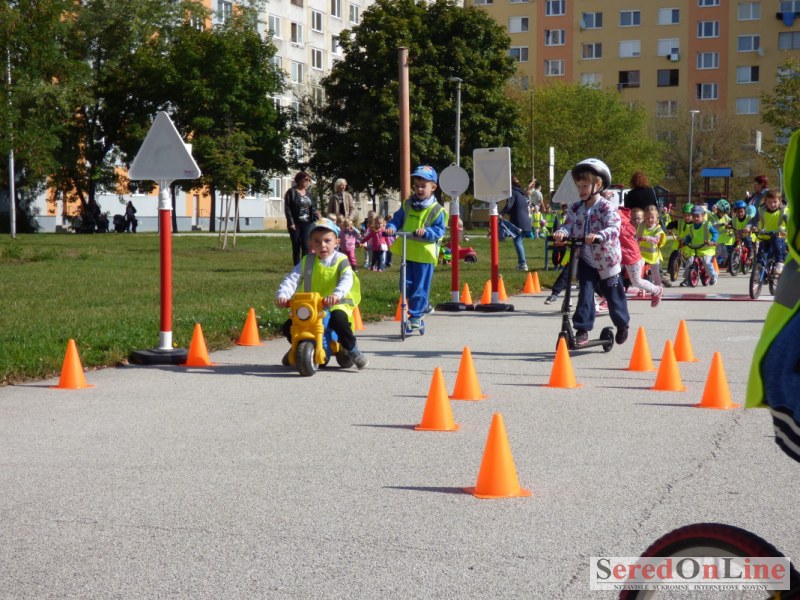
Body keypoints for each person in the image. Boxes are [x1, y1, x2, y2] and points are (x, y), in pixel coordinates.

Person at [553, 158, 630, 346]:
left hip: (607, 260)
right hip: (586, 259)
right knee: (585, 293)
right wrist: (562, 233)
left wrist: (599, 235)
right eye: (579, 186)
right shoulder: (575, 207)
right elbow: (568, 225)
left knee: (614, 297)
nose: (581, 190)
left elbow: (614, 227)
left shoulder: (606, 207)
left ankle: (622, 324)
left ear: (599, 185)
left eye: (585, 186)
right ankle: (582, 329)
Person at [275, 218, 367, 369]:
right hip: (311, 306)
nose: (322, 245)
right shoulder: (307, 261)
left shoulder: (341, 260)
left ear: (337, 242)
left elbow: (347, 279)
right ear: (310, 244)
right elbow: (292, 278)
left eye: (327, 240)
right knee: (289, 326)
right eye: (317, 241)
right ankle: (297, 347)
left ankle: (352, 349)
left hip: (336, 303)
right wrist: (283, 295)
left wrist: (336, 295)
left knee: (339, 321)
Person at [385, 165, 446, 330]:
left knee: (420, 286)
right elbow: (397, 219)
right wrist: (391, 226)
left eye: (423, 186)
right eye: (416, 185)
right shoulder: (407, 204)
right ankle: (423, 305)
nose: (419, 189)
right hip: (408, 252)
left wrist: (426, 232)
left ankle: (416, 315)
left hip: (425, 255)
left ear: (433, 187)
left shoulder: (437, 209)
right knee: (405, 285)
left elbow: (439, 230)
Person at [748, 189, 789, 275]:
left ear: (780, 201)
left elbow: (790, 224)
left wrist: (788, 231)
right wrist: (748, 227)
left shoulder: (784, 211)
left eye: (775, 202)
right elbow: (753, 220)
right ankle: (759, 269)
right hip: (764, 236)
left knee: (777, 244)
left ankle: (779, 262)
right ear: (765, 201)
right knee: (761, 255)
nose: (772, 204)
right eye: (769, 202)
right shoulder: (761, 210)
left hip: (779, 236)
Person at [284, 171, 320, 265]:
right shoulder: (291, 192)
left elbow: (313, 207)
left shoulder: (308, 193)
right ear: (299, 180)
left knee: (306, 246)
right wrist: (291, 222)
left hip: (307, 223)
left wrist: (318, 217)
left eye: (309, 180)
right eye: (306, 180)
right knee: (296, 246)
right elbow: (287, 209)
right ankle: (297, 267)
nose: (307, 182)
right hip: (295, 224)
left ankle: (304, 266)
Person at [680, 205, 719, 286]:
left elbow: (715, 233)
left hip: (707, 248)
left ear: (703, 215)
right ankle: (687, 279)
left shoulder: (707, 225)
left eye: (698, 216)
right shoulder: (691, 227)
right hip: (695, 249)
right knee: (689, 261)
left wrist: (712, 241)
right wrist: (685, 243)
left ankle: (713, 276)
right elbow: (689, 237)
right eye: (694, 216)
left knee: (706, 262)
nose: (696, 218)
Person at [635, 206, 667, 304]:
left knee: (656, 273)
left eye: (652, 218)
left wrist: (647, 238)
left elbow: (656, 239)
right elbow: (636, 236)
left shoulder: (657, 228)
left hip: (653, 256)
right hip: (641, 254)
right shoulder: (641, 226)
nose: (650, 220)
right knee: (638, 270)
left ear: (657, 218)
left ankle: (658, 288)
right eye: (647, 218)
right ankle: (640, 287)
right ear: (644, 218)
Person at [501, 176, 533, 271]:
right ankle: (521, 264)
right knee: (519, 241)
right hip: (525, 221)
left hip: (519, 221)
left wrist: (501, 213)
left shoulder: (513, 193)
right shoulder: (520, 193)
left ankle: (523, 264)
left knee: (517, 241)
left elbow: (509, 205)